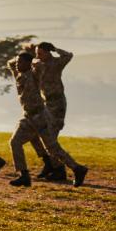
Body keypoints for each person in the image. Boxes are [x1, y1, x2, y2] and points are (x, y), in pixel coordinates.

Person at [6, 51, 88, 188]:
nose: (17, 64)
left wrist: (33, 59)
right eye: (18, 62)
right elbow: (10, 63)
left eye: (21, 62)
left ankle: (78, 169)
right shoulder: (18, 75)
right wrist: (20, 57)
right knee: (15, 142)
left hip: (40, 117)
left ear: (28, 63)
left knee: (52, 148)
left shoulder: (35, 74)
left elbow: (40, 66)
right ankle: (24, 175)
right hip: (28, 117)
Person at [27, 42, 75, 181]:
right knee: (36, 134)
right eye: (37, 53)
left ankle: (59, 170)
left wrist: (55, 49)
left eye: (40, 53)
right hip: (45, 104)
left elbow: (69, 55)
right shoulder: (38, 63)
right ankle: (49, 165)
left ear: (48, 53)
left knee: (50, 138)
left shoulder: (57, 63)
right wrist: (31, 53)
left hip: (57, 103)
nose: (38, 56)